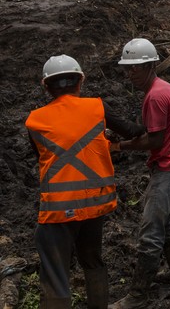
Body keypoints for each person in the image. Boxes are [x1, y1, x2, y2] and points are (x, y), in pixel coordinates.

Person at [25, 55, 144, 309]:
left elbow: (43, 158)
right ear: (81, 80)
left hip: (58, 211)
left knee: (55, 274)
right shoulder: (97, 107)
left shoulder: (35, 120)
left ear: (46, 86)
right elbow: (132, 131)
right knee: (92, 260)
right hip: (95, 205)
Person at [109, 39, 170, 309]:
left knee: (150, 231)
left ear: (151, 65)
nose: (130, 73)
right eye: (128, 68)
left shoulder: (155, 96)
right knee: (164, 221)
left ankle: (138, 294)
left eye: (136, 68)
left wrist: (119, 146)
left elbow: (154, 141)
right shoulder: (161, 88)